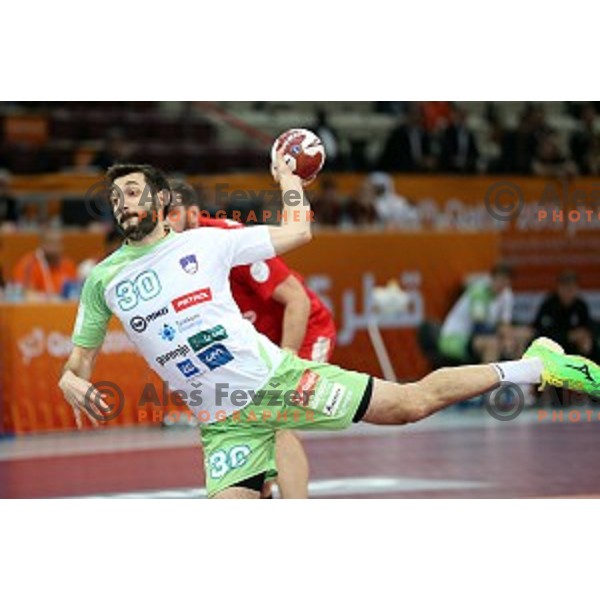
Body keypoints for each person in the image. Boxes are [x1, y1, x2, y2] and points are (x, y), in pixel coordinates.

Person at [59, 159, 600, 499]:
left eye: (131, 191)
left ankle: (537, 364)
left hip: (276, 381)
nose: (121, 202)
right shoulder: (103, 280)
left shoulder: (208, 241)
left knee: (409, 405)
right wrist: (71, 379)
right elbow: (78, 362)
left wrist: (289, 180)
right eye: (114, 196)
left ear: (159, 202)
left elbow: (299, 232)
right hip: (222, 420)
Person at [167, 182, 337, 498]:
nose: (164, 224)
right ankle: (264, 492)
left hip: (302, 330)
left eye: (172, 215)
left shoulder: (229, 242)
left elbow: (297, 300)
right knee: (244, 425)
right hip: (253, 344)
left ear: (192, 215)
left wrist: (286, 361)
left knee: (279, 418)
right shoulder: (169, 256)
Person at [438, 263, 525, 364]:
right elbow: (479, 327)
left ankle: (517, 378)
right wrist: (503, 337)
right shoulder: (478, 291)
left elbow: (505, 324)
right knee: (492, 345)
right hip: (455, 339)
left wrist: (509, 338)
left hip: (480, 337)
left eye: (505, 282)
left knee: (520, 337)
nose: (501, 285)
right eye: (499, 280)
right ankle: (489, 380)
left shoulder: (506, 294)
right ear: (492, 278)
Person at [533, 271, 598, 360]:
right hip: (554, 350)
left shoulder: (580, 305)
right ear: (559, 288)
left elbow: (588, 327)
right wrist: (569, 336)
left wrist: (585, 337)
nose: (569, 291)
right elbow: (542, 332)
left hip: (575, 349)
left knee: (589, 344)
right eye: (565, 287)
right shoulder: (549, 305)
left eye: (572, 287)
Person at [13, 227, 77, 300]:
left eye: (58, 243)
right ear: (41, 244)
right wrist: (52, 299)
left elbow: (74, 292)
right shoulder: (28, 264)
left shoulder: (68, 264)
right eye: (50, 243)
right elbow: (26, 295)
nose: (54, 247)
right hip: (38, 309)